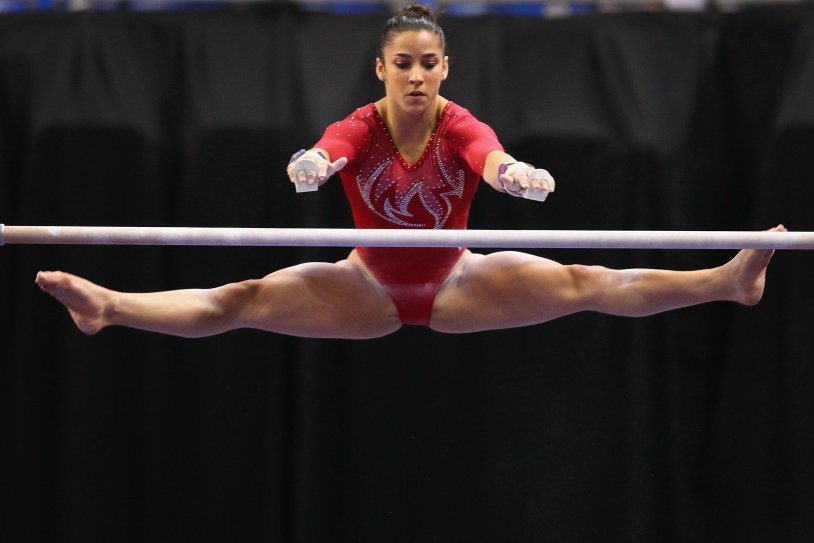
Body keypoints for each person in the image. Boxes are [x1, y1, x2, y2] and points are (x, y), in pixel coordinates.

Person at [35, 5, 785, 340]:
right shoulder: (361, 126)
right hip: (363, 287)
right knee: (241, 298)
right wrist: (313, 162)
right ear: (382, 69)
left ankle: (727, 281)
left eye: (429, 63)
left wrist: (515, 175)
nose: (417, 75)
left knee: (588, 280)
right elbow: (328, 150)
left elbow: (490, 157)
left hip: (460, 282)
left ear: (445, 67)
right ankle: (109, 306)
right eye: (404, 64)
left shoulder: (459, 124)